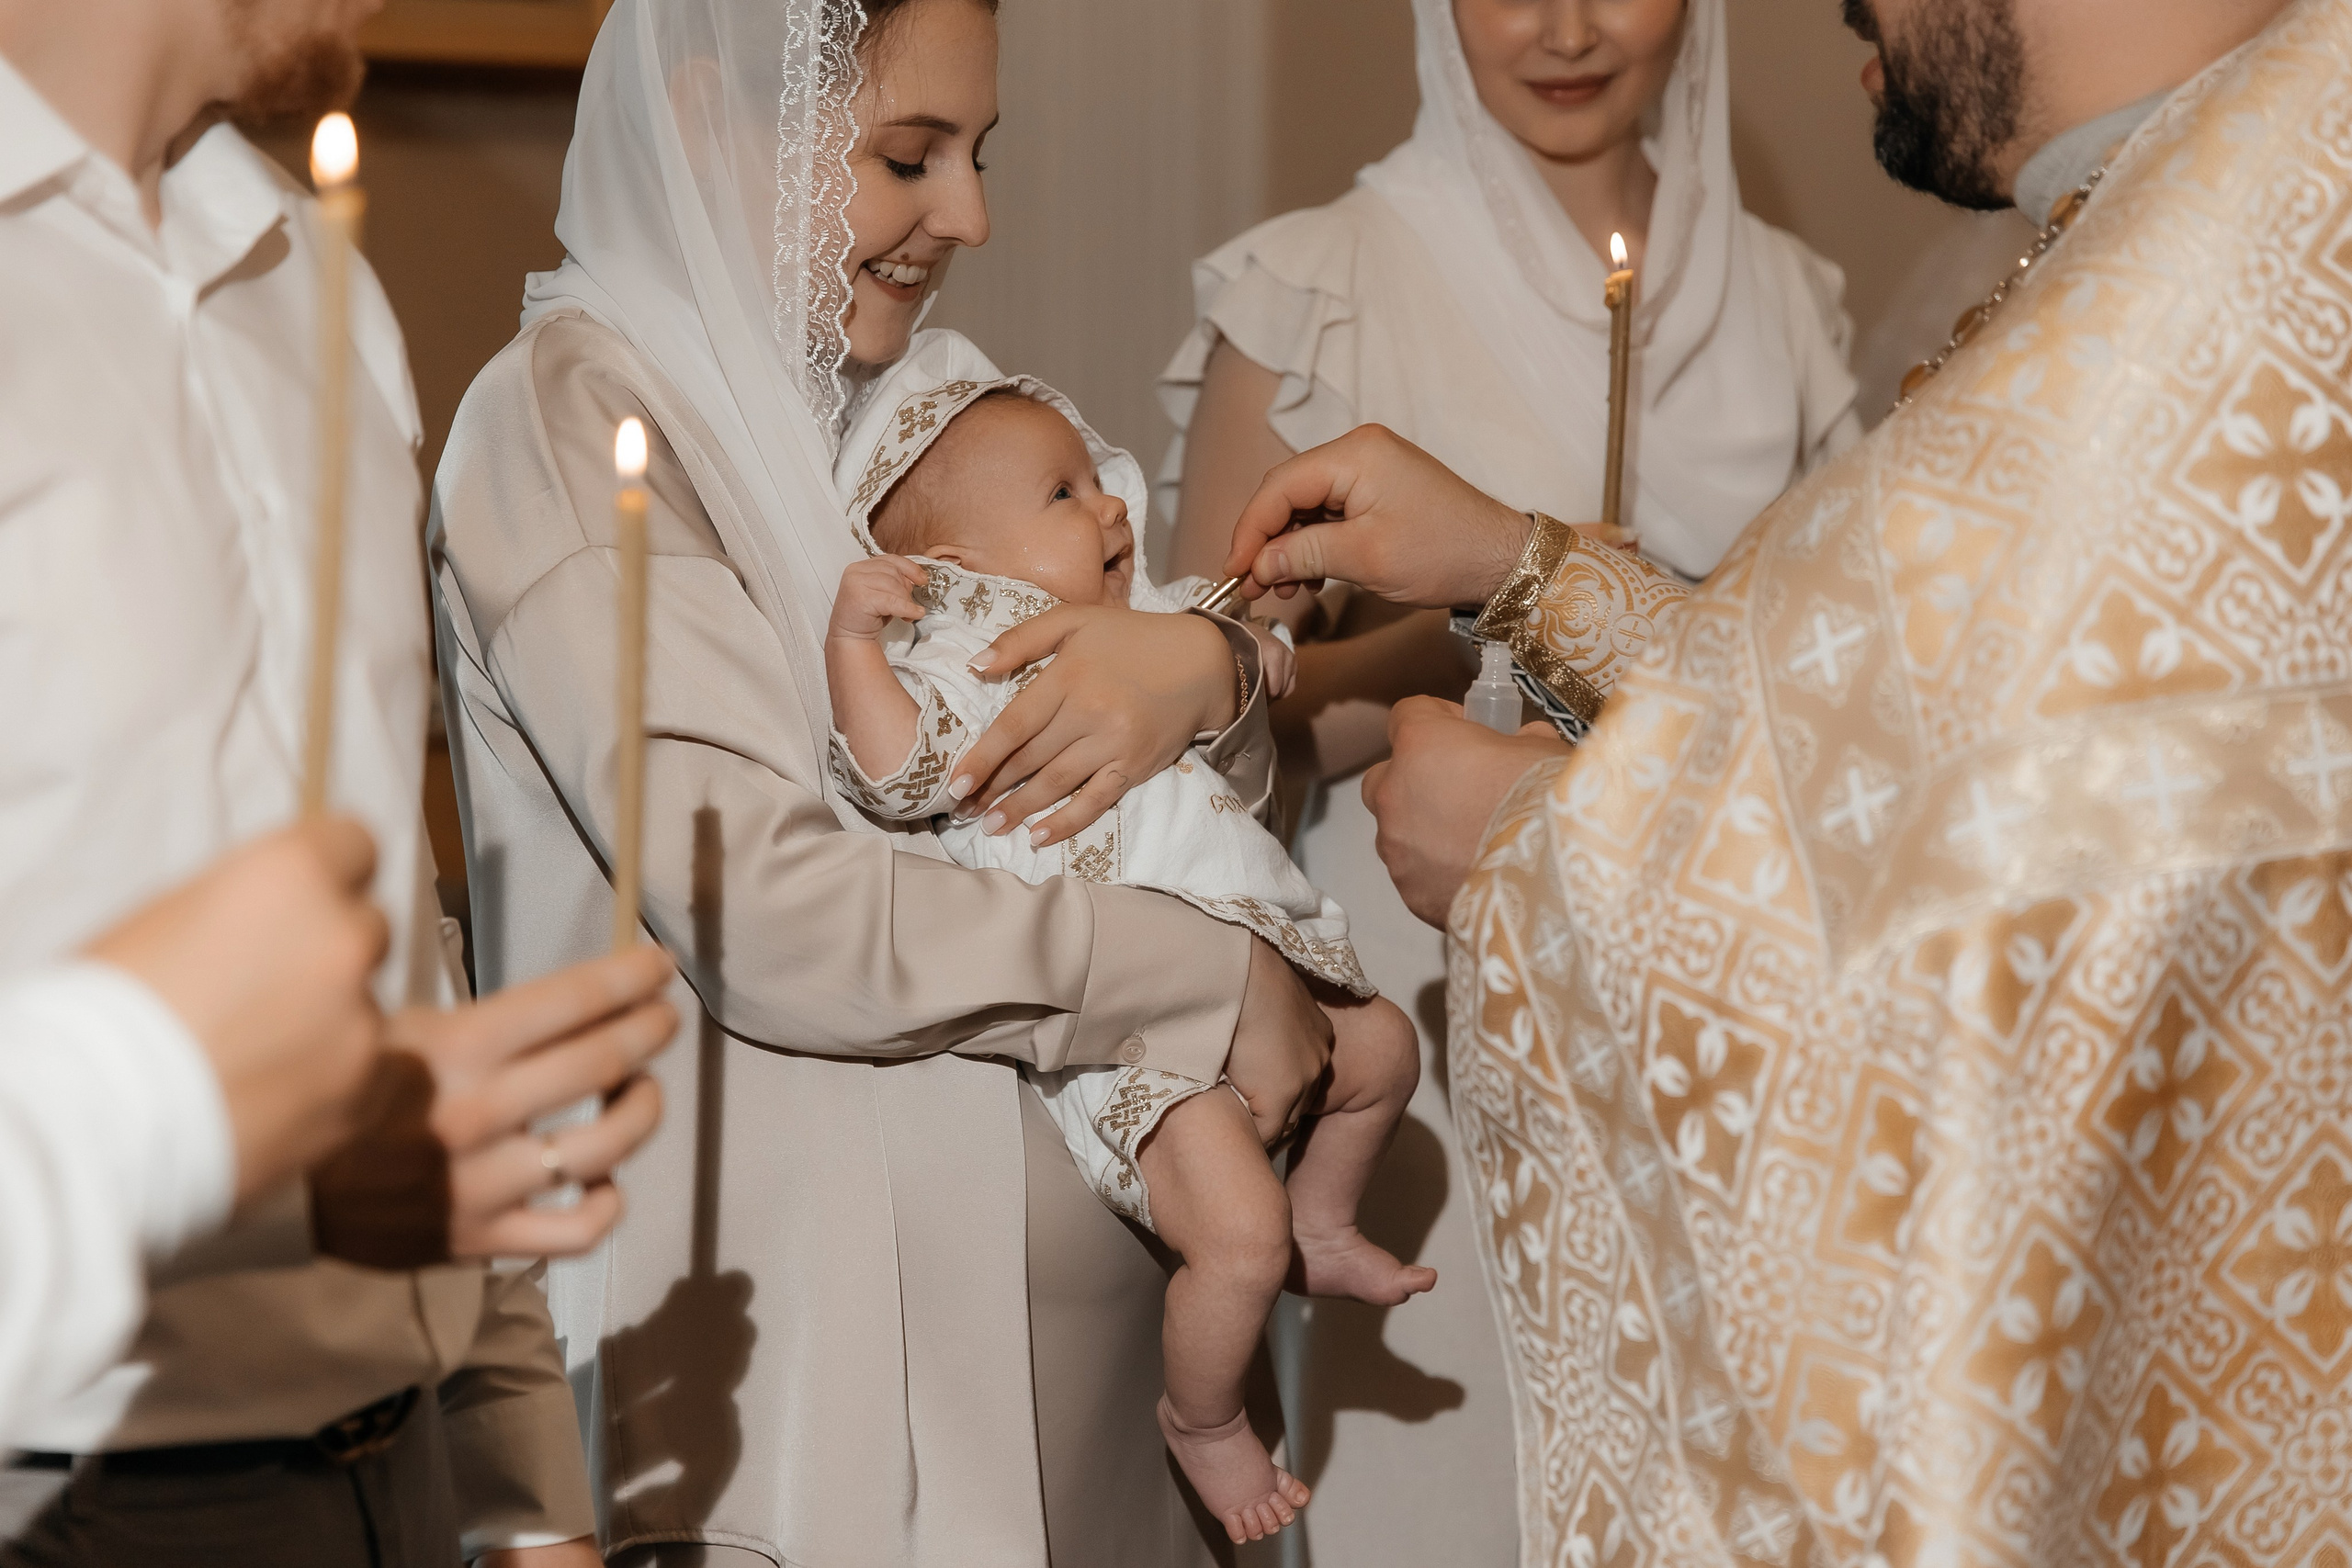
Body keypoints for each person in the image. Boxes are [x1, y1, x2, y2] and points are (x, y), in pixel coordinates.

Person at [1216, 0, 2350, 1558]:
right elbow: (1890, 732)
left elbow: (2010, 891)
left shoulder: (2217, 280)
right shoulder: (2214, 212)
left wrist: (1534, 841)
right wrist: (1526, 569)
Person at [430, 1, 1338, 1562]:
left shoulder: (884, 406)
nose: (970, 215)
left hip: (1071, 1395)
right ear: (723, 122)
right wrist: (1190, 977)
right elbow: (768, 915)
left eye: (978, 155)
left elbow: (1138, 763)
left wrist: (1209, 668)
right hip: (805, 1410)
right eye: (907, 154)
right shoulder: (577, 423)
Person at [1155, 0, 1858, 1554]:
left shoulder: (1789, 305)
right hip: (1409, 1018)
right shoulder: (1314, 285)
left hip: (1708, 1008)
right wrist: (1442, 649)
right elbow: (1201, 739)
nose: (1563, 27)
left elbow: (1846, 715)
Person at [0, 0, 679, 1561]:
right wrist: (284, 1195)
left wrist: (518, 1498)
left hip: (395, 1479)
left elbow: (398, 980)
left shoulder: (318, 286)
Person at [824, 335, 1436, 1544]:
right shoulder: (964, 656)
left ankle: (1323, 1215)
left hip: (1264, 947)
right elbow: (896, 774)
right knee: (1236, 1240)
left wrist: (1241, 647)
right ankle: (1204, 1418)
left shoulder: (1135, 614)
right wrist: (855, 646)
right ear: (949, 565)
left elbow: (1235, 681)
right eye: (1062, 493)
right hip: (1133, 1032)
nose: (1109, 501)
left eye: (1094, 478)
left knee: (1387, 1055)